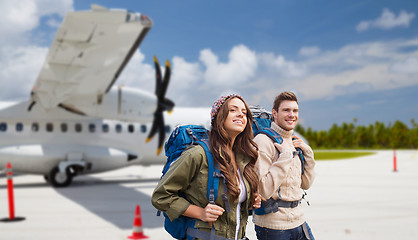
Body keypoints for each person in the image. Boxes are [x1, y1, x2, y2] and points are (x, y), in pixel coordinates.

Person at [152, 94, 261, 240]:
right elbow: (161, 196)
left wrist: (250, 202)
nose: (241, 114)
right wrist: (200, 213)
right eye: (233, 110)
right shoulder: (198, 154)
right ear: (219, 117)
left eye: (244, 112)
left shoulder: (243, 158)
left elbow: (231, 207)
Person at [253, 91, 316, 240]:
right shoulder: (263, 141)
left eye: (295, 111)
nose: (292, 115)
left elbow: (305, 184)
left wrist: (308, 153)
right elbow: (263, 190)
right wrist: (285, 157)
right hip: (274, 228)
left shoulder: (294, 141)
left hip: (299, 221)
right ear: (274, 113)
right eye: (286, 110)